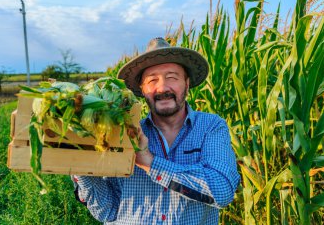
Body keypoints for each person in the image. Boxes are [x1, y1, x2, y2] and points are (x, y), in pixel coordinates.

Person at [72, 37, 240, 224]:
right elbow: (108, 211)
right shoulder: (122, 133)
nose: (162, 87)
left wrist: (149, 163)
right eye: (152, 80)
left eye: (172, 77)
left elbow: (222, 192)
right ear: (142, 89)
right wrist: (82, 167)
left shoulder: (210, 127)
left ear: (187, 83)